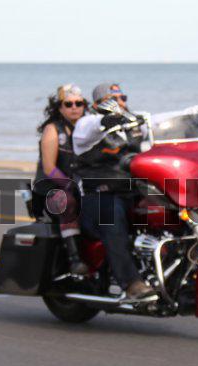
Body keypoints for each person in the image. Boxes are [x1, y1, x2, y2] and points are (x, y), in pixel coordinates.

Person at [72, 83, 155, 299]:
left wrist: (197, 116)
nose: (120, 103)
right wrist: (107, 119)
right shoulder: (87, 125)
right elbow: (93, 126)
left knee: (176, 205)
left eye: (122, 98)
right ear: (97, 105)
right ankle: (132, 283)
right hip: (97, 195)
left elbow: (158, 124)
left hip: (132, 191)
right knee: (111, 215)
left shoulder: (133, 125)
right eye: (112, 100)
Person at [34, 83, 89, 276]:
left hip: (78, 185)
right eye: (68, 104)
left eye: (79, 103)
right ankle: (75, 259)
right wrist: (72, 187)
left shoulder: (87, 128)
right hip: (50, 189)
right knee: (68, 201)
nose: (74, 107)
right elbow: (49, 168)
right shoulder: (53, 130)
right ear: (59, 107)